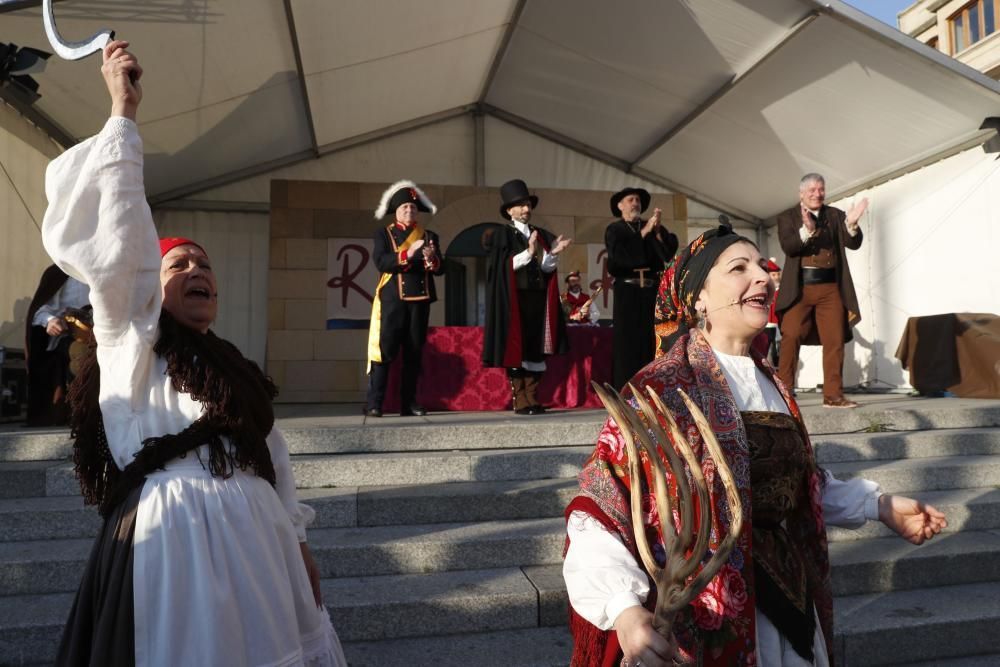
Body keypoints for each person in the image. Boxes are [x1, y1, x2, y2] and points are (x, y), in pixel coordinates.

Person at [44, 41, 346, 665]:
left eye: (205, 263)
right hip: (174, 544)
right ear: (151, 286)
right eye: (179, 263)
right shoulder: (131, 336)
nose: (197, 269)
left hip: (261, 545)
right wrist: (123, 111)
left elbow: (271, 454)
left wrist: (299, 543)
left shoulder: (231, 366)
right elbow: (124, 243)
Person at [563, 223, 946, 666]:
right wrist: (624, 612)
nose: (763, 277)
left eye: (762, 267)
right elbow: (601, 507)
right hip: (705, 612)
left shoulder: (773, 383)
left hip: (788, 598)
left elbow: (801, 487)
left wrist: (880, 506)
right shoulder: (658, 390)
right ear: (698, 298)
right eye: (739, 268)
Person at [776, 174, 867, 409]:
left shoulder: (835, 215)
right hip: (800, 287)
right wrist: (806, 230)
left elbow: (852, 243)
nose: (817, 194)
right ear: (801, 193)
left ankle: (833, 396)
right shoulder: (787, 217)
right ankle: (784, 393)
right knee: (791, 335)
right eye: (812, 190)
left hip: (831, 289)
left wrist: (852, 225)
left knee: (835, 340)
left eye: (821, 189)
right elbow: (790, 247)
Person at [482, 179, 570, 415]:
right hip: (514, 301)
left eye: (528, 204)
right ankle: (520, 399)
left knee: (535, 347)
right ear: (509, 211)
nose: (525, 209)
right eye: (520, 205)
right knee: (517, 349)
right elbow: (500, 268)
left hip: (538, 300)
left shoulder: (539, 234)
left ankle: (532, 397)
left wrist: (552, 254)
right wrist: (527, 253)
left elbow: (546, 269)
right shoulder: (502, 235)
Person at [365, 180, 444, 418]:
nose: (409, 211)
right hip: (392, 302)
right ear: (397, 212)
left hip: (419, 302)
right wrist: (408, 254)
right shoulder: (384, 234)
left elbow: (440, 268)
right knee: (384, 353)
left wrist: (431, 258)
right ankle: (375, 403)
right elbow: (381, 262)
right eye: (404, 208)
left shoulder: (430, 235)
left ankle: (408, 403)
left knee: (413, 354)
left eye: (412, 207)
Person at [604, 187, 678, 389]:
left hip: (651, 291)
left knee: (652, 339)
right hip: (628, 292)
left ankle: (653, 386)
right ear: (620, 205)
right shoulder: (615, 230)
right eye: (630, 199)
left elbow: (666, 256)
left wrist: (656, 233)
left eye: (637, 200)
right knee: (628, 342)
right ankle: (626, 389)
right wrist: (643, 234)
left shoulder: (652, 227)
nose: (635, 203)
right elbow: (619, 259)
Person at [24, 264, 90, 426]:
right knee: (80, 354)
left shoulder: (101, 270)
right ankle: (80, 413)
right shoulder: (59, 272)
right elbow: (39, 311)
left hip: (101, 336)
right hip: (68, 336)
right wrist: (50, 321)